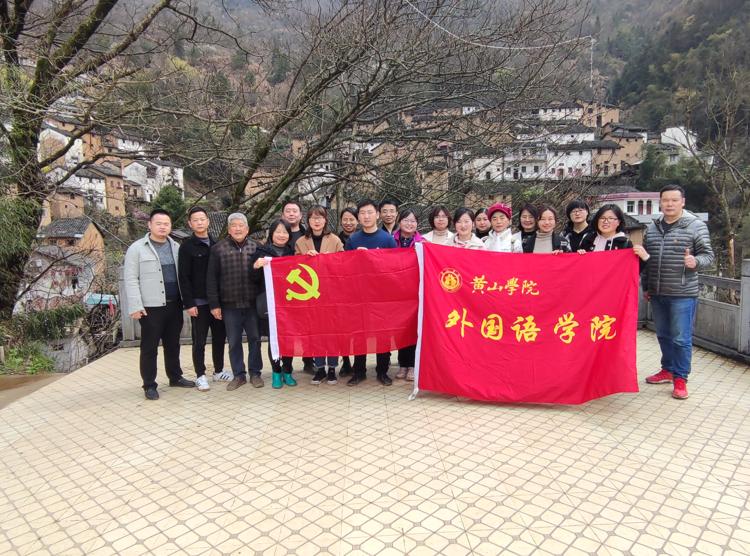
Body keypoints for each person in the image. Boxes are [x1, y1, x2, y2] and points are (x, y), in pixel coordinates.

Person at [639, 184, 714, 400]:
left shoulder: (695, 226)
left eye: (674, 200)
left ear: (683, 202)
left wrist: (695, 261)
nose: (669, 204)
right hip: (657, 292)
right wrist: (647, 286)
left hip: (683, 292)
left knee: (681, 338)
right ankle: (668, 369)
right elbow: (647, 261)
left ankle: (681, 378)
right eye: (665, 200)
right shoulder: (652, 228)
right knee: (663, 335)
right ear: (660, 203)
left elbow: (708, 256)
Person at [124, 209, 195, 400]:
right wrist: (135, 305)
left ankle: (175, 377)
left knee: (173, 344)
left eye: (166, 224)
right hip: (151, 307)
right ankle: (149, 384)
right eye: (158, 223)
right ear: (149, 225)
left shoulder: (176, 247)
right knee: (150, 347)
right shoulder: (137, 248)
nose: (163, 227)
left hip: (174, 303)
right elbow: (130, 279)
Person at [206, 213, 264, 391]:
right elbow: (211, 279)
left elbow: (264, 277)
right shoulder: (218, 249)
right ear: (229, 229)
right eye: (234, 225)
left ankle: (255, 373)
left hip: (252, 303)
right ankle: (239, 375)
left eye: (241, 225)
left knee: (255, 339)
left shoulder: (257, 247)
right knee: (233, 342)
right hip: (229, 305)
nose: (238, 229)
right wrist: (214, 304)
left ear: (247, 229)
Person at [345, 198, 397, 386]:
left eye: (370, 212)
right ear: (358, 217)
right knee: (359, 334)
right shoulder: (353, 239)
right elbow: (344, 268)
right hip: (359, 295)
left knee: (383, 335)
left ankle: (382, 371)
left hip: (381, 296)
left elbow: (394, 267)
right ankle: (359, 371)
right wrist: (356, 258)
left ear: (377, 215)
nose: (366, 216)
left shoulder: (387, 239)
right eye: (362, 213)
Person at [178, 207, 228, 392]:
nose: (199, 223)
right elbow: (183, 277)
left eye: (202, 219)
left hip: (217, 301)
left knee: (219, 337)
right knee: (199, 340)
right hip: (198, 302)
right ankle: (200, 375)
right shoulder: (187, 247)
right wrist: (189, 303)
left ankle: (219, 370)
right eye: (195, 220)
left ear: (208, 221)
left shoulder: (217, 244)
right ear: (190, 224)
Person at [295, 205, 345, 385]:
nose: (316, 221)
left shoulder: (335, 240)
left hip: (331, 294)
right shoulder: (301, 241)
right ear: (307, 221)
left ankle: (332, 368)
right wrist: (305, 258)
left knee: (331, 332)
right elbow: (294, 266)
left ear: (325, 220)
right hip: (311, 293)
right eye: (313, 218)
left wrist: (330, 259)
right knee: (315, 332)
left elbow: (344, 264)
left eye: (320, 217)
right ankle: (320, 368)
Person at [252, 219, 297, 389]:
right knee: (274, 338)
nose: (281, 235)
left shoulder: (293, 253)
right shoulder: (261, 252)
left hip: (290, 302)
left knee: (289, 338)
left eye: (285, 232)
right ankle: (276, 372)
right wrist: (256, 266)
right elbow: (253, 278)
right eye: (278, 231)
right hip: (270, 303)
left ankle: (288, 370)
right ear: (271, 234)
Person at [282, 199, 315, 374]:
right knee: (288, 328)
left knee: (308, 327)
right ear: (282, 214)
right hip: (286, 289)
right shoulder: (278, 234)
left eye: (295, 211)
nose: (291, 214)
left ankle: (309, 361)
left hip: (307, 288)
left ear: (301, 215)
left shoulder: (307, 236)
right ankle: (286, 366)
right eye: (288, 211)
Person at [392, 208, 423, 382]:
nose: (409, 224)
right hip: (396, 292)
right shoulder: (391, 240)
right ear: (399, 221)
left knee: (414, 330)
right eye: (406, 220)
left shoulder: (422, 243)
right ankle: (402, 364)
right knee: (400, 330)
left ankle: (412, 365)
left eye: (413, 221)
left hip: (415, 292)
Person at [338, 207, 359, 377]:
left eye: (351, 219)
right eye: (345, 219)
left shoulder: (360, 238)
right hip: (340, 290)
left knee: (358, 330)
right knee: (342, 330)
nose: (348, 222)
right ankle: (345, 361)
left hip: (358, 290)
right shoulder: (334, 239)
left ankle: (359, 363)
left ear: (357, 221)